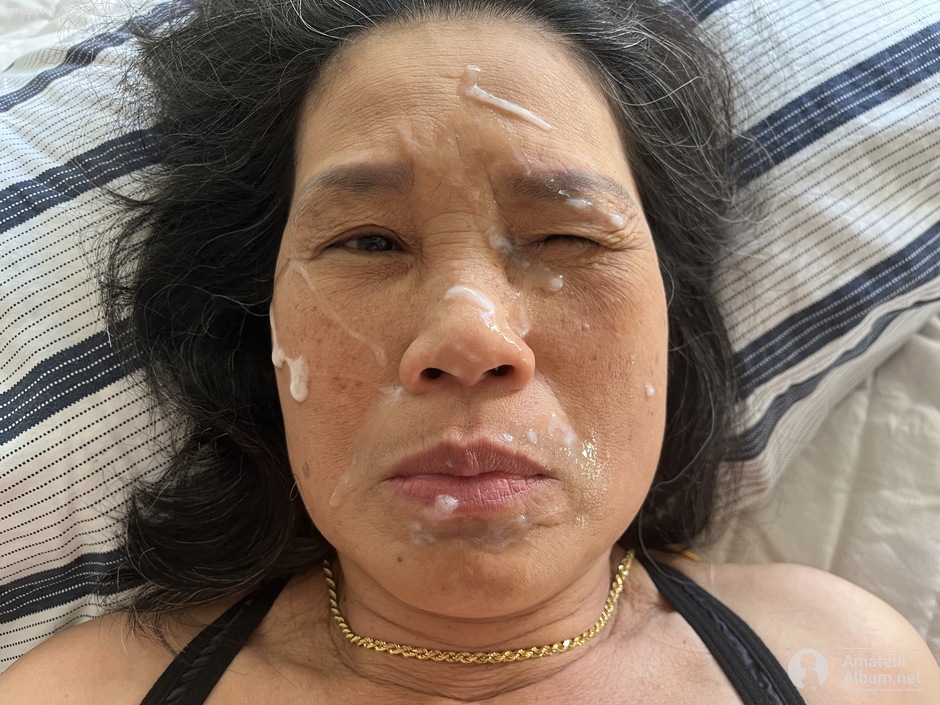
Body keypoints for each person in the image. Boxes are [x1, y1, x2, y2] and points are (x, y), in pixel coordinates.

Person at [1, 0, 937, 703]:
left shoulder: (844, 666)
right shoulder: (78, 691)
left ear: (671, 313)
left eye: (566, 237)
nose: (469, 337)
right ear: (262, 323)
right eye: (369, 241)